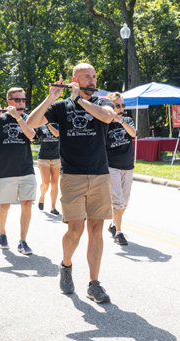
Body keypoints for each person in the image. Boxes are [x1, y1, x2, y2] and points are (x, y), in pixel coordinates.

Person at [27, 63, 116, 303]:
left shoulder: (102, 102)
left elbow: (108, 118)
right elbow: (32, 123)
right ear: (74, 79)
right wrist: (50, 97)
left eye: (94, 76)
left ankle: (94, 284)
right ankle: (66, 266)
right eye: (87, 76)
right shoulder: (60, 107)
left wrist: (79, 100)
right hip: (72, 176)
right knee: (75, 229)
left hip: (99, 175)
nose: (92, 80)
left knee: (96, 229)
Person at [0, 87, 37, 255]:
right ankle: (2, 233)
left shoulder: (27, 118)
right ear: (9, 101)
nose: (21, 103)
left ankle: (23, 241)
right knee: (4, 206)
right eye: (17, 100)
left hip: (26, 169)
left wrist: (19, 119)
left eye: (23, 100)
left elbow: (32, 135)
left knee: (27, 204)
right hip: (5, 171)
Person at [105, 92, 137, 245]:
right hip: (112, 167)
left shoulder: (128, 120)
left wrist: (121, 121)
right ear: (111, 106)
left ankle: (113, 225)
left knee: (124, 203)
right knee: (118, 202)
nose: (121, 108)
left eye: (123, 105)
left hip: (128, 166)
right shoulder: (104, 123)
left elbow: (133, 134)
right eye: (118, 105)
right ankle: (119, 232)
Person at [35, 122, 60, 215]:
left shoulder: (59, 125)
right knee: (46, 183)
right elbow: (34, 136)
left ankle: (53, 207)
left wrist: (49, 125)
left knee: (55, 183)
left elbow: (57, 134)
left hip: (56, 157)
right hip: (43, 157)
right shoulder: (41, 126)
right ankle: (42, 197)